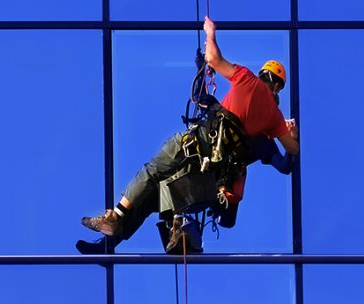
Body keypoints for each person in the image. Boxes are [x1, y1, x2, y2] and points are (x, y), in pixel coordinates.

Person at [78, 16, 299, 253]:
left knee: (151, 173)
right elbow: (287, 163)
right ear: (277, 87)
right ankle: (109, 244)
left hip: (194, 150)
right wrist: (293, 136)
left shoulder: (247, 80)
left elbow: (203, 95)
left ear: (262, 75)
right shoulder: (269, 128)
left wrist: (208, 40)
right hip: (206, 180)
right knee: (153, 198)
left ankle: (115, 219)